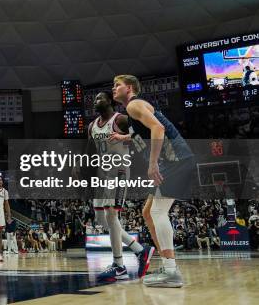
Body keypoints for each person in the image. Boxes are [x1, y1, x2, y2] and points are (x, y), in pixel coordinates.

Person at [112, 74, 195, 288]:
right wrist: (124, 137)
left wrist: (153, 163)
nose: (114, 89)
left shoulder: (133, 105)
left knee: (158, 212)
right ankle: (168, 264)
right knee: (148, 212)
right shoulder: (135, 108)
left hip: (174, 160)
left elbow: (158, 128)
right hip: (175, 160)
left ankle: (171, 271)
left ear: (129, 88)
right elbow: (145, 131)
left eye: (117, 85)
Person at [84, 91, 149, 282]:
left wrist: (124, 138)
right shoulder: (92, 126)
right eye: (94, 98)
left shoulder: (120, 119)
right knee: (101, 219)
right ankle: (139, 249)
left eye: (99, 98)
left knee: (111, 214)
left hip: (119, 172)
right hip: (102, 175)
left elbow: (140, 138)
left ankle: (119, 265)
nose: (96, 101)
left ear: (110, 101)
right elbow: (90, 149)